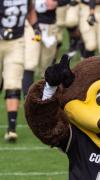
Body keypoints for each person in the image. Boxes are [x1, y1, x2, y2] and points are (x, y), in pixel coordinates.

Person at [0, 0, 39, 141]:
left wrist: (36, 27)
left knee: (13, 84)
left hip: (16, 43)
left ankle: (11, 129)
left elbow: (30, 12)